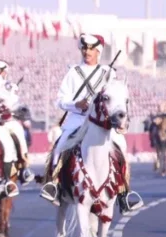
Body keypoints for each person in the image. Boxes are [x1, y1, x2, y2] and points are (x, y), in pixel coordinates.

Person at [40, 33, 141, 212]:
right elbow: (60, 100)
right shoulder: (73, 72)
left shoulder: (108, 73)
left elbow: (118, 100)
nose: (87, 52)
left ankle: (124, 193)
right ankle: (54, 185)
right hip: (77, 120)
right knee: (60, 146)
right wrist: (75, 104)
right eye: (85, 48)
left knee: (121, 147)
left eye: (92, 49)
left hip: (101, 122)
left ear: (98, 52)